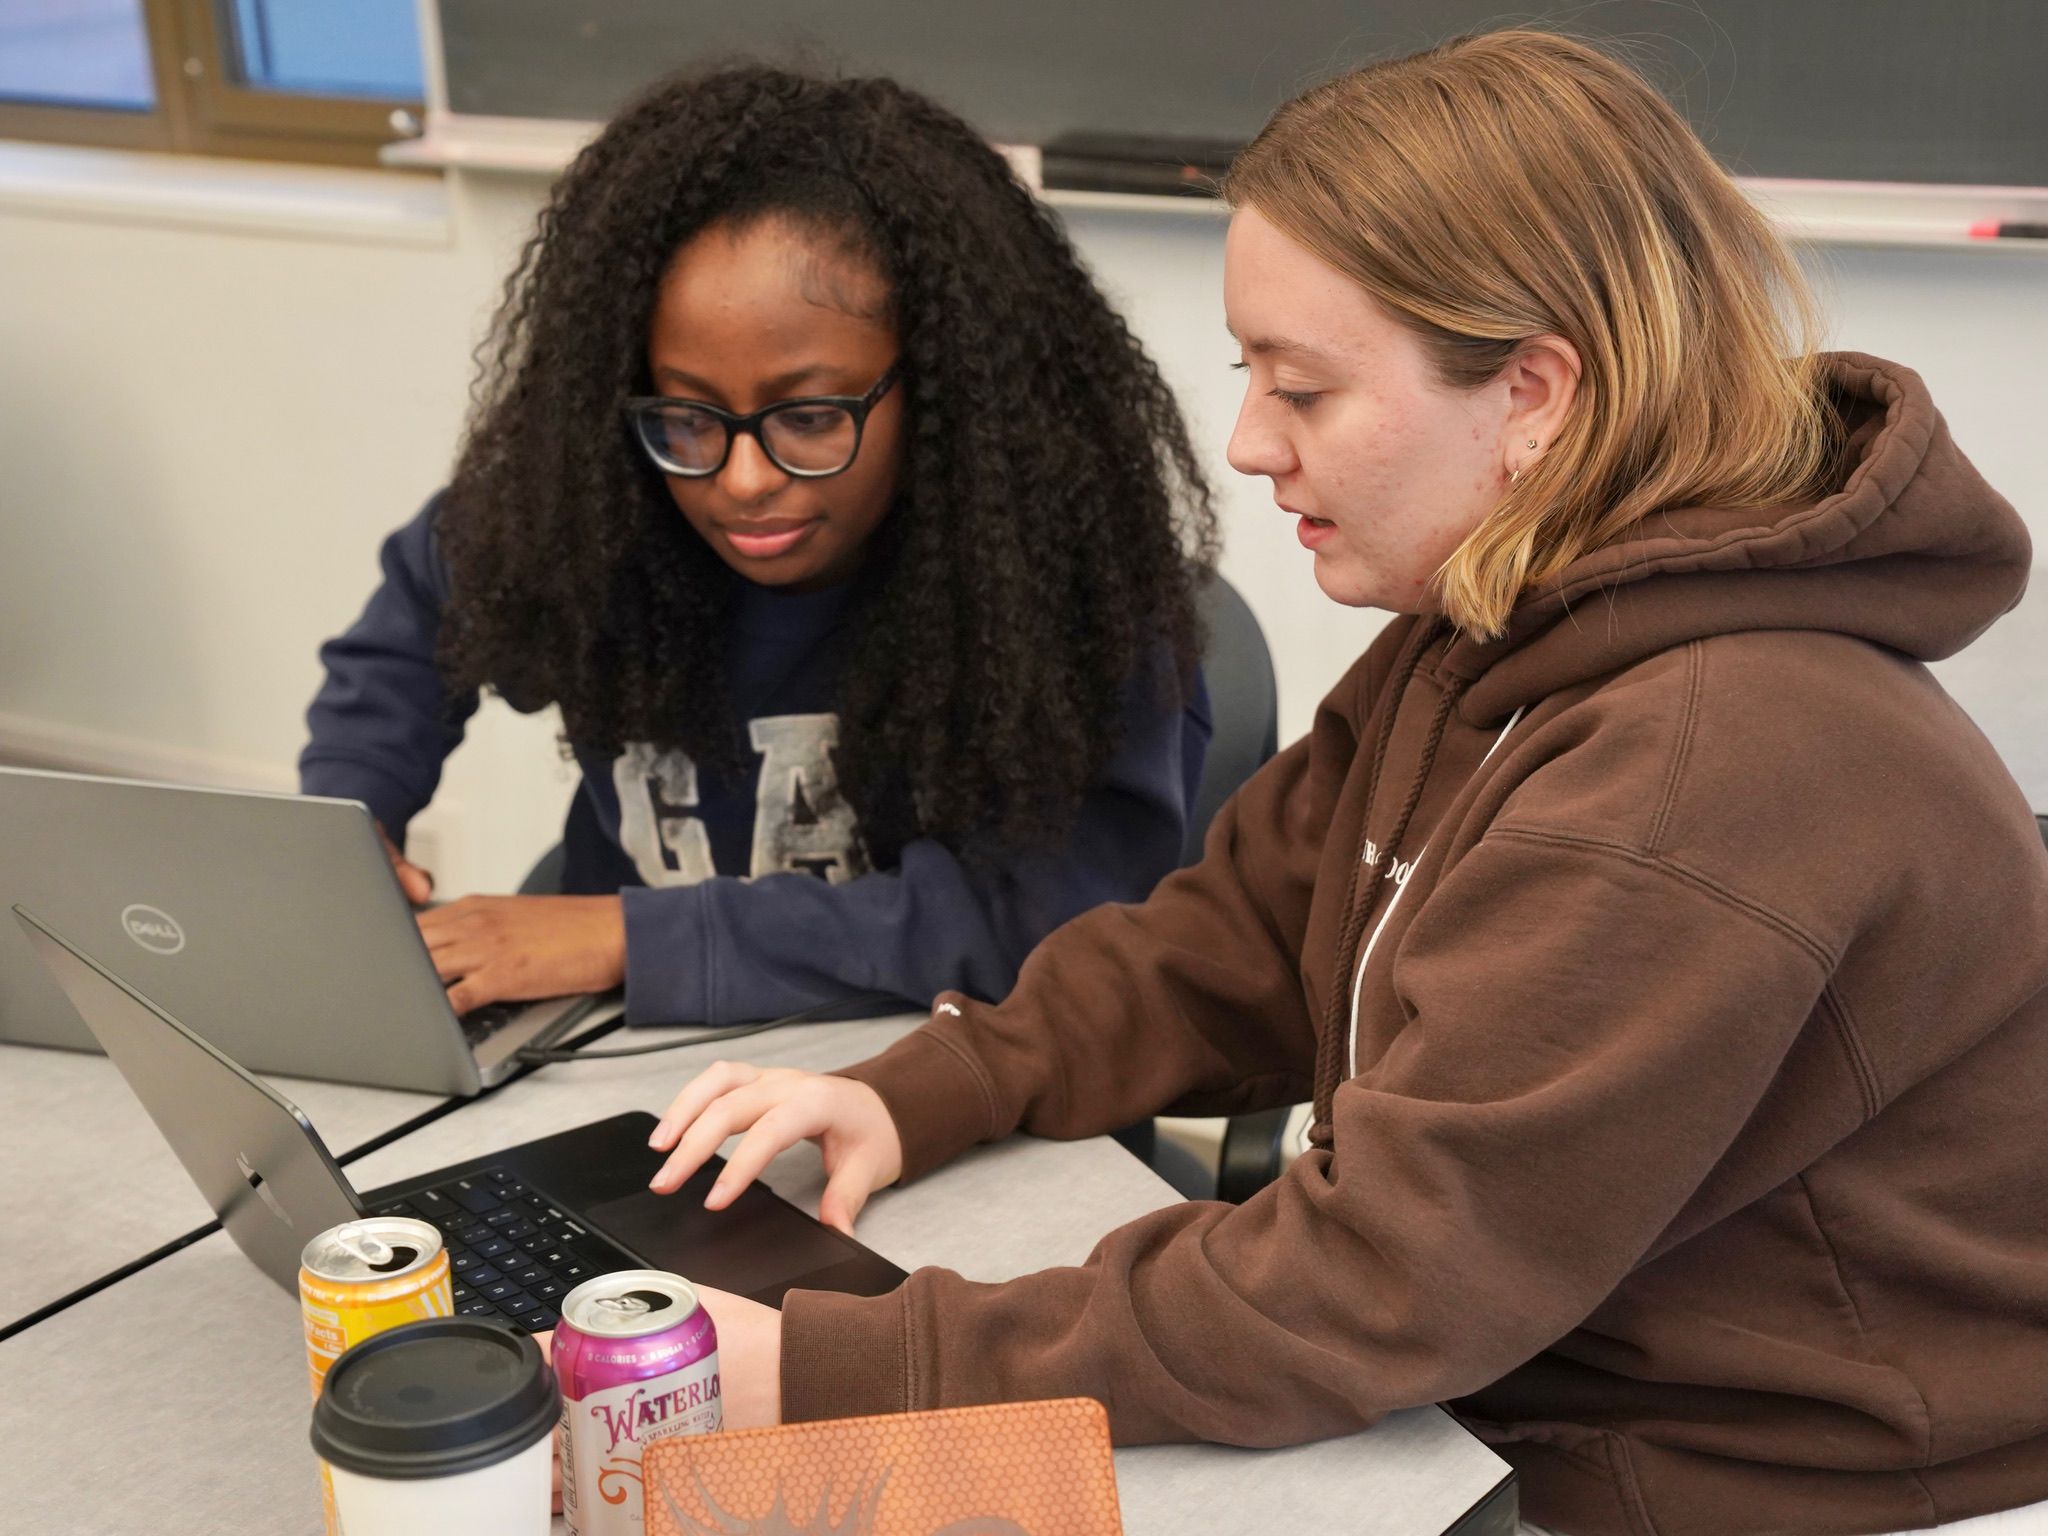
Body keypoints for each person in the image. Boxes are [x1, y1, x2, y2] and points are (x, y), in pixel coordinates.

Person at [641, 30, 2048, 1536]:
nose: (1249, 445)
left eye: (1302, 390)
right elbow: (1234, 935)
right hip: (1521, 1382)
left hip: (1777, 1484)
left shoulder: (1710, 768)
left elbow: (1384, 1279)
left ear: (1535, 397)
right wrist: (926, 1093)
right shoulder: (1490, 630)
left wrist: (844, 1364)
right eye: (1251, 377)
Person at [300, 67, 1216, 1028]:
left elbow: (1038, 923)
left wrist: (633, 936)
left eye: (812, 417)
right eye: (688, 416)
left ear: (947, 393)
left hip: (943, 1081)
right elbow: (415, 623)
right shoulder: (590, 509)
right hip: (623, 1066)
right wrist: (352, 815)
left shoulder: (1060, 586)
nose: (740, 479)